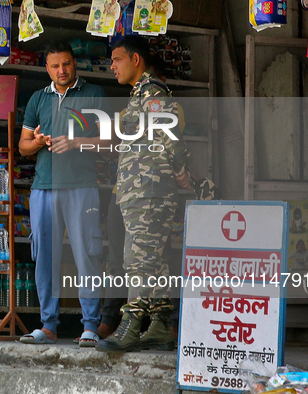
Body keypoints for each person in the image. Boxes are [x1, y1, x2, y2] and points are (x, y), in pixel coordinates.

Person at [96, 35, 191, 353]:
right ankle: (162, 324)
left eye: (117, 59)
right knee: (155, 261)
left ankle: (131, 324)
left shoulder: (152, 94)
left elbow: (172, 138)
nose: (112, 66)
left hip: (149, 190)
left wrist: (180, 175)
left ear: (136, 60)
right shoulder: (139, 95)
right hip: (138, 189)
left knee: (137, 260)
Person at [18, 41, 109, 347]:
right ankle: (48, 326)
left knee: (87, 256)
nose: (61, 71)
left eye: (66, 64)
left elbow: (109, 141)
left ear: (75, 64)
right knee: (45, 258)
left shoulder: (94, 94)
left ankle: (90, 326)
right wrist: (39, 142)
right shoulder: (37, 99)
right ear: (47, 68)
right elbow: (22, 146)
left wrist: (76, 142)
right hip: (43, 187)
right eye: (55, 66)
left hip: (82, 188)